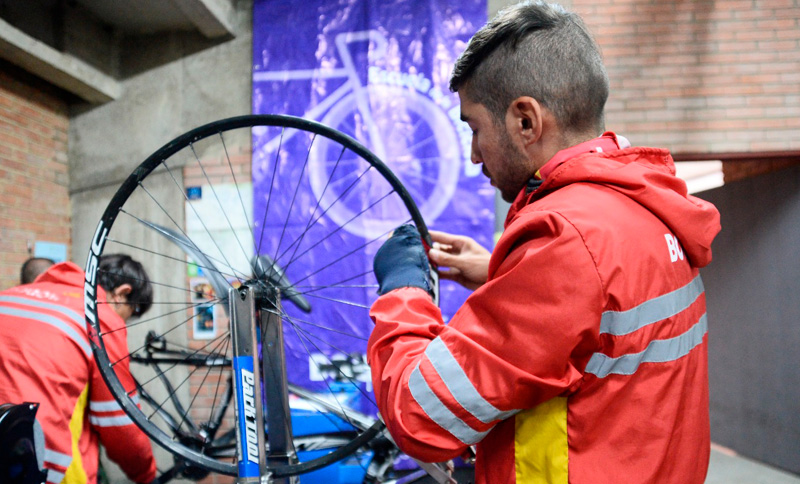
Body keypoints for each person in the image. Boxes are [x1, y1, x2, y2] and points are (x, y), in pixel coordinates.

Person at [367, 2, 722, 483]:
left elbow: (419, 417)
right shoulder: (644, 208)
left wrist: (403, 291)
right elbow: (597, 325)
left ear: (526, 122)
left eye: (474, 128)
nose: (473, 155)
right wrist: (503, 274)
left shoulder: (566, 245)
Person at [0, 254, 158, 484]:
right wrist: (146, 475)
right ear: (122, 293)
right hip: (34, 467)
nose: (125, 323)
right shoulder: (99, 317)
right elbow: (121, 423)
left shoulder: (9, 296)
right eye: (132, 313)